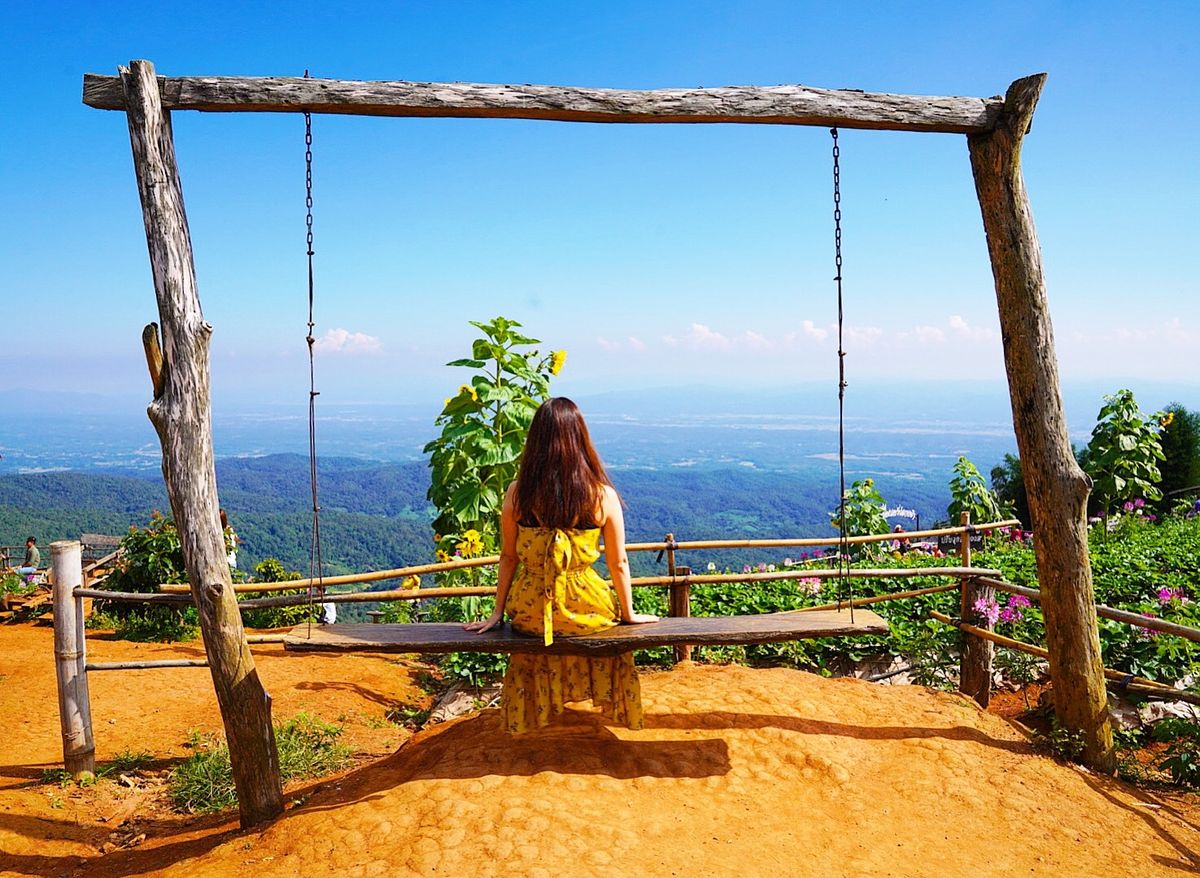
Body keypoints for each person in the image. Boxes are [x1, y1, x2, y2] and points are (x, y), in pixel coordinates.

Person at [465, 397, 658, 733]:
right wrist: (628, 614)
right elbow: (619, 561)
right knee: (607, 634)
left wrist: (498, 613)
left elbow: (508, 557)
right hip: (587, 611)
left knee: (534, 641)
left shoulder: (517, 494)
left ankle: (537, 711)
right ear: (581, 439)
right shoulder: (602, 496)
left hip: (532, 613)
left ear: (535, 441)